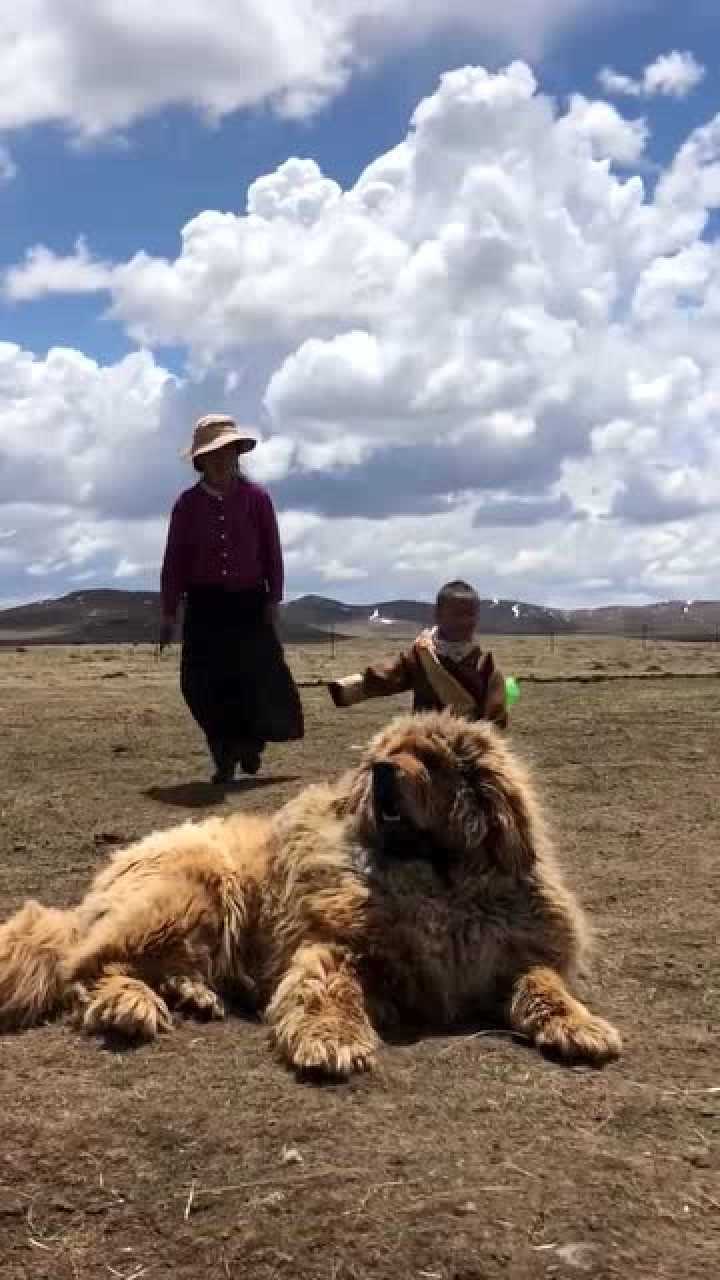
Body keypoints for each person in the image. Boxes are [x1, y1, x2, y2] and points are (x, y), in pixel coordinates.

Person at [159, 413, 304, 784]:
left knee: (255, 677)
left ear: (238, 453)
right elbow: (175, 558)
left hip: (250, 602)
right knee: (202, 682)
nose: (223, 459)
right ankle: (223, 751)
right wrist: (169, 611)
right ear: (200, 460)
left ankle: (249, 744)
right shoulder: (186, 505)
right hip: (205, 605)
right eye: (214, 453)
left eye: (229, 451)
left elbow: (272, 549)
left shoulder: (256, 498)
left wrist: (274, 597)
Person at [327, 580, 509, 727]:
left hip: (469, 747)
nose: (465, 621)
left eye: (470, 614)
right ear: (438, 614)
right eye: (457, 614)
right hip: (426, 743)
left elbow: (495, 716)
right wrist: (346, 689)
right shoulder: (420, 656)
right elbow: (386, 675)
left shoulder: (486, 666)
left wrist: (483, 739)